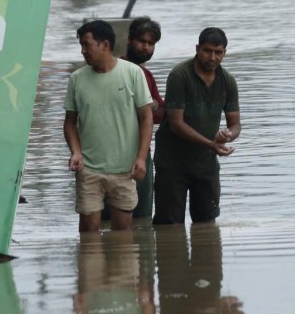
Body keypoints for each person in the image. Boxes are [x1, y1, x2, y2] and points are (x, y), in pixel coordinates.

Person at [64, 20, 154, 233]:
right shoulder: (77, 79)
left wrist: (141, 158)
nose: (83, 51)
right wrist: (75, 152)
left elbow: (146, 118)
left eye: (87, 45)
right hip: (88, 169)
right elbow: (70, 121)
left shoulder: (133, 73)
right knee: (89, 233)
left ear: (105, 45)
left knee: (123, 235)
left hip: (125, 169)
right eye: (81, 45)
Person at [152, 27, 241, 226]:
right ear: (197, 49)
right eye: (207, 51)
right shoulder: (180, 75)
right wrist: (211, 144)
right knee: (169, 225)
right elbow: (176, 124)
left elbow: (235, 124)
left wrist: (228, 134)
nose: (212, 57)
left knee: (207, 224)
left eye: (218, 52)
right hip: (172, 163)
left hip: (206, 164)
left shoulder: (228, 81)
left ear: (225, 53)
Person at [124, 16, 166, 219]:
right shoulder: (119, 70)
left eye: (151, 44)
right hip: (118, 155)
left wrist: (152, 106)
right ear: (129, 39)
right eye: (142, 42)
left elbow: (158, 112)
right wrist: (151, 106)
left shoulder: (146, 75)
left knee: (141, 218)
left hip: (142, 153)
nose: (146, 48)